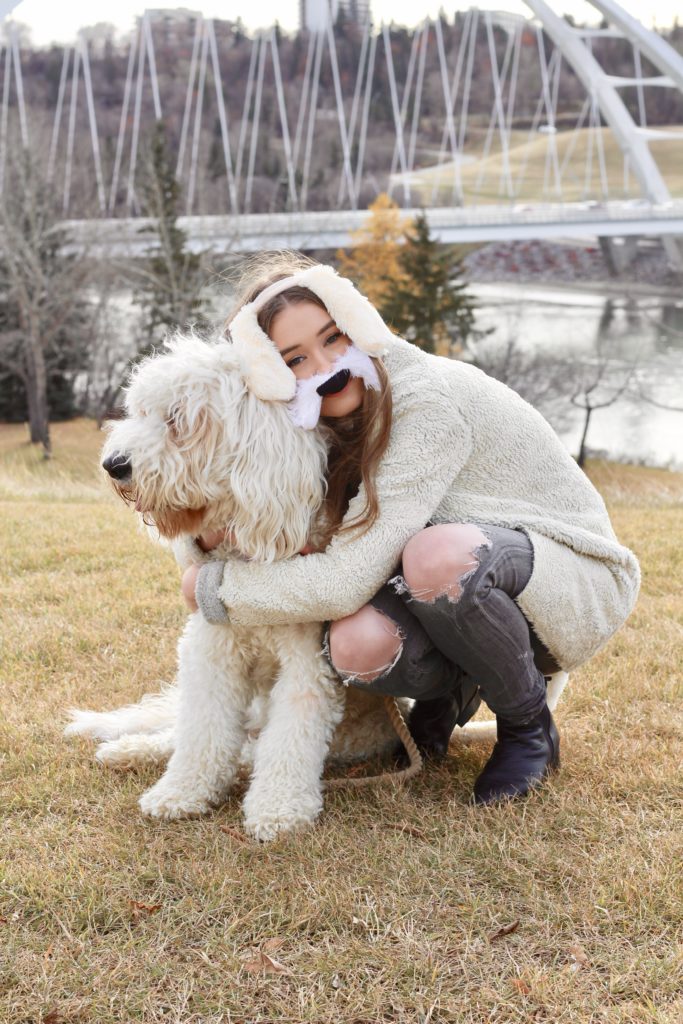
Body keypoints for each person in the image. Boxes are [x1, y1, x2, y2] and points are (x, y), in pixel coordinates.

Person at [179, 251, 640, 805]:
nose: (325, 366)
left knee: (436, 556)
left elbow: (342, 581)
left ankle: (528, 727)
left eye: (334, 338)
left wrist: (213, 589)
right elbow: (262, 516)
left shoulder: (423, 401)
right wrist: (198, 543)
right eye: (295, 358)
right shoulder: (316, 419)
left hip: (569, 576)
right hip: (452, 584)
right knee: (355, 644)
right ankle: (449, 694)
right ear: (270, 372)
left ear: (359, 322)